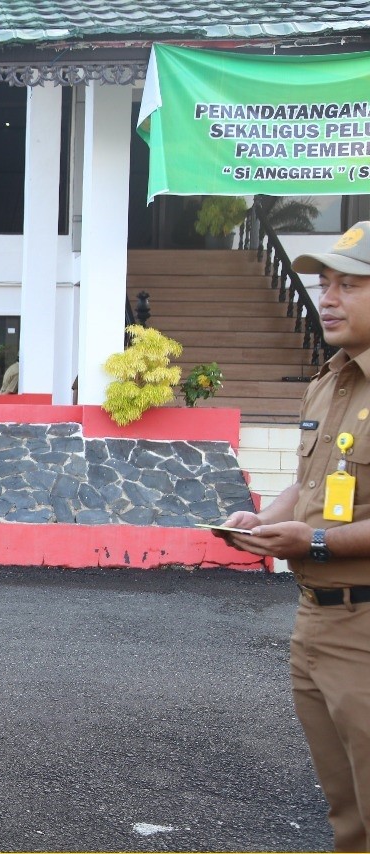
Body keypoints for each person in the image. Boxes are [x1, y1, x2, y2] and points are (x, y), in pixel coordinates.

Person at [215, 220, 370, 852]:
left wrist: (319, 545)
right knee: (347, 813)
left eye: (349, 285)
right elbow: (310, 487)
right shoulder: (328, 379)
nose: (326, 299)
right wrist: (263, 517)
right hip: (315, 622)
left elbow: (322, 527)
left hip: (363, 625)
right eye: (324, 283)